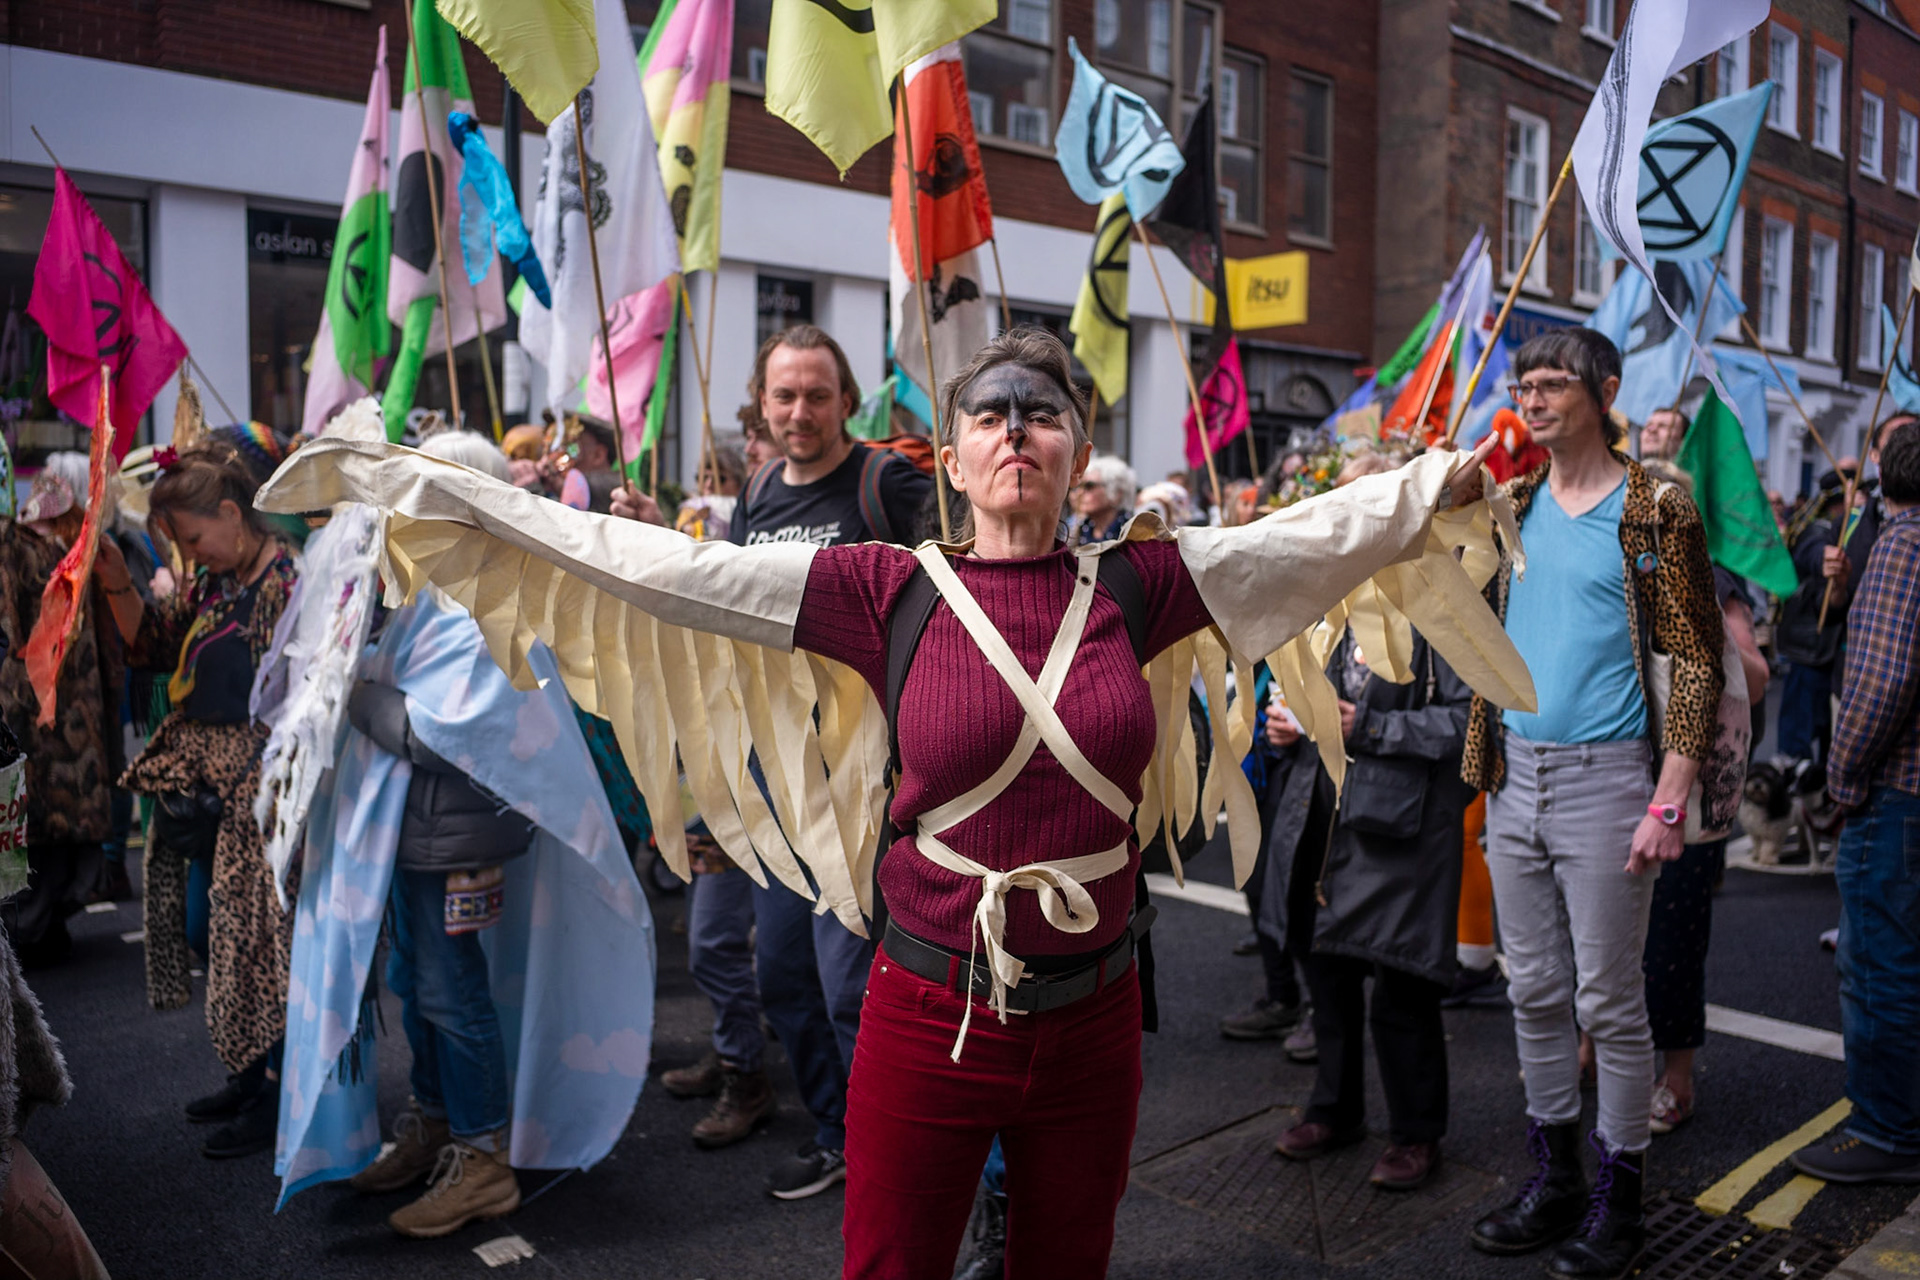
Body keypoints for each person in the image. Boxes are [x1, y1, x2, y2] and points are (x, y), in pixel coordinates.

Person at [265, 326, 1512, 1280]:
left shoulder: (1148, 582)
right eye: (991, 414)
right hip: (927, 1009)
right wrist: (461, 496)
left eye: (1044, 413)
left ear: (1076, 447)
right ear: (953, 453)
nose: (1017, 430)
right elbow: (660, 567)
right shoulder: (882, 589)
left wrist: (1441, 481)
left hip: (1092, 1025)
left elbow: (1320, 537)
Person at [616, 322, 932, 1198]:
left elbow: (953, 577)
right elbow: (737, 602)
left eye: (818, 395)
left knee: (846, 984)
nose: (800, 412)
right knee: (780, 975)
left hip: (858, 783)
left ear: (847, 401)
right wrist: (664, 544)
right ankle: (835, 1134)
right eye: (784, 395)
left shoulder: (885, 480)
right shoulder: (757, 488)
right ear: (761, 401)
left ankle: (888, 1145)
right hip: (771, 779)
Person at [1463, 329, 1724, 1279]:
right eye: (1523, 384)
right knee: (1531, 991)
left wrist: (1670, 797)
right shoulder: (1513, 502)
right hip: (1514, 773)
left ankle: (1622, 1196)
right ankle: (1554, 1178)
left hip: (1610, 779)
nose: (1531, 400)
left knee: (1609, 1001)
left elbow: (1696, 653)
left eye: (1553, 384)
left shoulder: (1657, 505)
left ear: (1604, 391)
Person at [107, 437, 301, 1160]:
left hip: (261, 790)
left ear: (230, 511)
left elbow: (296, 694)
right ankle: (250, 1073)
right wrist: (114, 582)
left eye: (193, 538)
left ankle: (277, 1093)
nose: (192, 553)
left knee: (259, 946)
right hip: (208, 789)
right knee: (205, 931)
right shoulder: (214, 585)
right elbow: (155, 645)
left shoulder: (284, 580)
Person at [1790, 419, 1920, 1185]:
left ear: (1883, 479)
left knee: (1879, 965)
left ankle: (1886, 1132)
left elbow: (1881, 682)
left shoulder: (1903, 547)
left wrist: (1842, 780)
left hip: (1898, 790)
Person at [0, 474, 127, 965]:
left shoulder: (62, 554)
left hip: (52, 712)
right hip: (57, 710)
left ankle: (41, 923)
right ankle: (43, 922)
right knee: (49, 828)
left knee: (47, 828)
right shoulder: (58, 553)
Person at [1065, 454, 1135, 545]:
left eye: (1089, 486)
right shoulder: (1079, 531)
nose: (1080, 492)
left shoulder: (1134, 532)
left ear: (1117, 493)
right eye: (1078, 486)